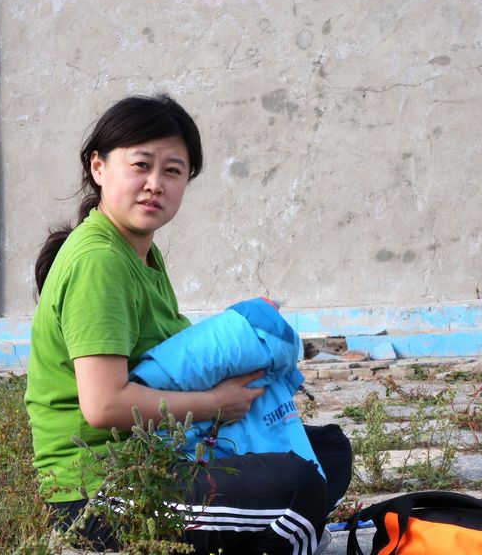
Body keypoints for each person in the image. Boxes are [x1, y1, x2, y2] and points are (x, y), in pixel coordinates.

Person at [25, 94, 351, 554]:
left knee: (329, 453)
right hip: (101, 492)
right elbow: (103, 407)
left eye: (173, 171)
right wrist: (216, 404)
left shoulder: (140, 252)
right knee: (298, 487)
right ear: (98, 167)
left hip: (155, 456)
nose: (154, 184)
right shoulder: (98, 261)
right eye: (141, 165)